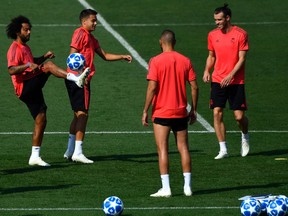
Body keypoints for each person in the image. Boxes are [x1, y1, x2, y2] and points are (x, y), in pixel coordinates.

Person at [6, 15, 90, 166]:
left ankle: (34, 157)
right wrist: (28, 66)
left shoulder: (25, 47)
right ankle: (75, 78)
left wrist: (42, 57)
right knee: (49, 66)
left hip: (31, 85)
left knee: (41, 118)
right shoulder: (14, 48)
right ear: (18, 32)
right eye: (26, 30)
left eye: (29, 29)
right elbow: (12, 70)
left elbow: (31, 63)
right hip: (24, 87)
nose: (29, 32)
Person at [63, 9, 132, 164]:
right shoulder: (80, 33)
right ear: (84, 21)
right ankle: (78, 152)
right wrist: (79, 73)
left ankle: (70, 150)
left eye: (96, 20)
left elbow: (105, 55)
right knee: (83, 114)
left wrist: (121, 56)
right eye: (93, 20)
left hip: (76, 79)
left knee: (77, 114)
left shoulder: (91, 38)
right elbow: (72, 55)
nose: (95, 23)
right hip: (80, 79)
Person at [142, 29, 198, 197]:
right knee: (183, 148)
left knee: (163, 149)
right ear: (175, 42)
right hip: (181, 112)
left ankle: (166, 188)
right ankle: (187, 187)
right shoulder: (185, 60)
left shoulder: (155, 61)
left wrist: (145, 110)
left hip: (161, 112)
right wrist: (193, 110)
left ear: (161, 42)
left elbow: (152, 87)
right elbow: (194, 86)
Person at [202, 4, 250, 159]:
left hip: (236, 81)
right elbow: (211, 56)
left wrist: (230, 75)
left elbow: (242, 59)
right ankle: (223, 148)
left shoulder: (241, 34)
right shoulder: (212, 35)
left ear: (227, 18)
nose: (217, 22)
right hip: (217, 79)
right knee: (217, 112)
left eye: (220, 19)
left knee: (239, 117)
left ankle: (245, 135)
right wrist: (206, 70)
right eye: (215, 20)